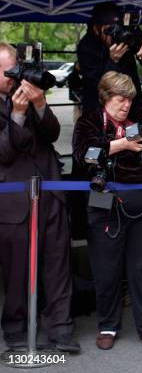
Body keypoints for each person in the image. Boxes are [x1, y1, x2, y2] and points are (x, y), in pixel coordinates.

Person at [72, 71, 142, 351]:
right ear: (106, 97)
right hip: (103, 205)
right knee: (106, 269)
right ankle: (108, 325)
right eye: (121, 99)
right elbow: (84, 156)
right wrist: (121, 145)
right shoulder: (89, 122)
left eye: (129, 100)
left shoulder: (136, 125)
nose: (126, 105)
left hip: (140, 206)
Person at [0, 42, 80, 353]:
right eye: (7, 72)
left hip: (50, 191)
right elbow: (4, 153)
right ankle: (16, 330)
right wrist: (18, 115)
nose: (13, 77)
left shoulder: (29, 90)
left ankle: (60, 329)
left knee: (58, 265)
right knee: (17, 270)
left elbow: (51, 132)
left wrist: (40, 104)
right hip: (14, 199)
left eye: (14, 69)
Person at [77, 1, 142, 126]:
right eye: (110, 29)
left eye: (118, 27)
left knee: (137, 143)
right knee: (108, 145)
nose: (115, 34)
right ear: (96, 28)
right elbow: (95, 83)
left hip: (132, 114)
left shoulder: (127, 32)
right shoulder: (86, 46)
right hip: (100, 118)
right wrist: (112, 61)